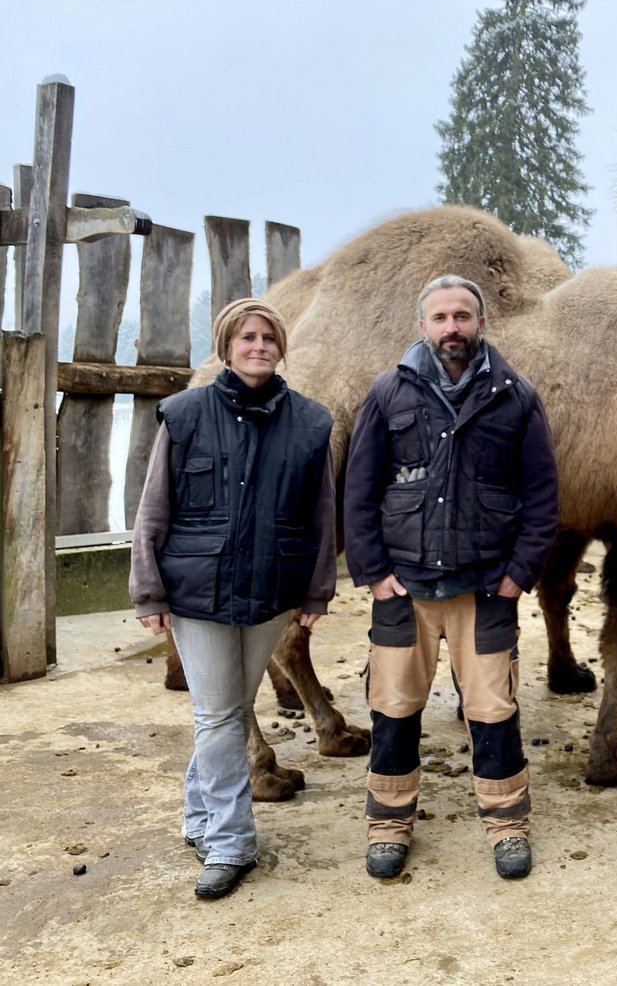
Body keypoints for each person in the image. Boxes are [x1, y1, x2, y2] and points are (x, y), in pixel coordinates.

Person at [344, 274, 559, 881]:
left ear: (481, 324)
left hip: (486, 588)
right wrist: (376, 575)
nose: (452, 329)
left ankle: (507, 824)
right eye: (440, 318)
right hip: (404, 589)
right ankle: (388, 827)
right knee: (393, 706)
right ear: (422, 326)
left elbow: (542, 497)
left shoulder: (516, 395)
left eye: (462, 317)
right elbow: (358, 491)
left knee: (493, 708)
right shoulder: (389, 392)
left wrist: (519, 576)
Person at [129, 298, 336, 900]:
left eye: (269, 337)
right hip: (198, 594)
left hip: (273, 591)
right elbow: (154, 508)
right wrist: (148, 589)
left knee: (225, 711)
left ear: (281, 348)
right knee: (219, 717)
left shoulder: (311, 423)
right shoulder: (186, 413)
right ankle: (230, 842)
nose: (259, 346)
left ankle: (199, 818)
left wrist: (317, 590)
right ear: (227, 346)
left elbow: (321, 516)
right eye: (247, 337)